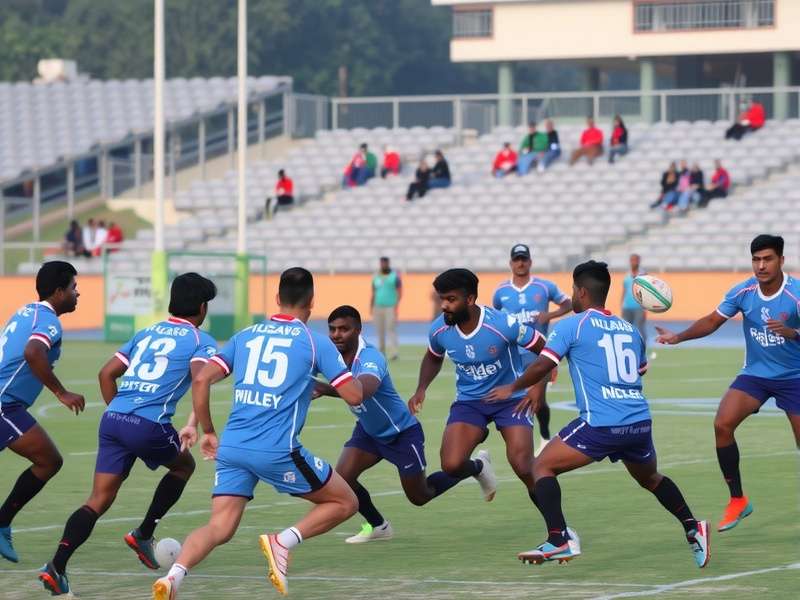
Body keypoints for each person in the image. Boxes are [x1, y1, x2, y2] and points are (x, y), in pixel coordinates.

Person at [152, 268, 363, 599]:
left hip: (232, 447)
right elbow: (354, 396)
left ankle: (174, 577)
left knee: (219, 527)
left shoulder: (245, 336)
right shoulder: (314, 341)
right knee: (346, 501)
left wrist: (207, 431)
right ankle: (284, 541)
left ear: (277, 299)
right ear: (311, 301)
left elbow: (201, 379)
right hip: (277, 451)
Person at [487, 260, 709, 568]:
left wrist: (513, 387)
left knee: (540, 468)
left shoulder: (571, 325)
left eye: (572, 291)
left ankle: (559, 539)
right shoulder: (630, 330)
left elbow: (543, 364)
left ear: (581, 292)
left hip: (601, 424)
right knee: (650, 478)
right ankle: (692, 526)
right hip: (639, 424)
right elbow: (639, 370)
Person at [38, 273, 218, 595]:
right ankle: (144, 532)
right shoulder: (200, 341)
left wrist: (122, 415)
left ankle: (57, 565)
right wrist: (206, 430)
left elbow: (106, 374)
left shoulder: (146, 332)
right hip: (150, 426)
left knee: (97, 500)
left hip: (113, 419)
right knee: (184, 466)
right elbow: (200, 384)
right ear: (203, 308)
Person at [656, 234, 800, 533]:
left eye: (767, 259)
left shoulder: (795, 294)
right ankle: (737, 500)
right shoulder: (743, 291)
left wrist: (793, 334)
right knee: (722, 424)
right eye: (756, 259)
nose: (761, 266)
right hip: (756, 375)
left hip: (794, 377)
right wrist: (678, 336)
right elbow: (712, 321)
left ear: (781, 261)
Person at [409, 269, 548, 538]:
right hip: (470, 402)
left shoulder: (502, 323)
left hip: (512, 399)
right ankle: (479, 468)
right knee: (451, 465)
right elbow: (434, 356)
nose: (444, 306)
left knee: (523, 466)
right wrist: (421, 388)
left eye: (450, 299)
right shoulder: (439, 328)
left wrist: (536, 388)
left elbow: (545, 349)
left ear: (470, 299)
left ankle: (558, 529)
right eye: (441, 299)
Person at [315, 306, 473, 543]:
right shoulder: (330, 354)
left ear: (358, 330)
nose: (337, 334)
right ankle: (378, 526)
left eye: (344, 329)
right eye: (332, 329)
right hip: (368, 432)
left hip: (401, 433)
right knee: (343, 479)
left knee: (420, 496)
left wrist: (321, 388)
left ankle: (477, 467)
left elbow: (362, 391)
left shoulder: (370, 357)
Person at [0, 261, 84, 564]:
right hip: (3, 406)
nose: (78, 293)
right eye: (74, 288)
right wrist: (61, 392)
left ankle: (2, 521)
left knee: (48, 460)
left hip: (8, 406)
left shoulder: (25, 311)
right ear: (59, 292)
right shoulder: (49, 321)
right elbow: (33, 352)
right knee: (48, 461)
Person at [492, 244, 572, 455]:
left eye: (524, 259)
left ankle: (544, 436)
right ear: (510, 263)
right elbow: (495, 319)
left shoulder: (545, 287)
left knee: (536, 399)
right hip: (513, 356)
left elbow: (569, 303)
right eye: (517, 259)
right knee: (516, 399)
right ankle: (522, 440)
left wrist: (550, 315)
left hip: (540, 354)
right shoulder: (501, 292)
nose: (520, 263)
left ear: (530, 262)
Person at [371, 257, 401, 360]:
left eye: (385, 263)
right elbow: (373, 292)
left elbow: (399, 291)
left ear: (388, 263)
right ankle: (381, 351)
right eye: (381, 263)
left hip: (390, 307)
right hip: (378, 307)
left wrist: (396, 304)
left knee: (390, 329)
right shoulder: (376, 276)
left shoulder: (394, 276)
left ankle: (394, 352)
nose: (383, 265)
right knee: (380, 331)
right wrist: (371, 306)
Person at [621, 253, 647, 351]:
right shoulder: (627, 275)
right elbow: (624, 290)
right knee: (626, 330)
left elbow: (647, 293)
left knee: (639, 329)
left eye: (636, 260)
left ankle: (642, 349)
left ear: (639, 261)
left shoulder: (643, 275)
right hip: (627, 307)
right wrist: (622, 305)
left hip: (639, 307)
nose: (634, 262)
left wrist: (645, 309)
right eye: (632, 260)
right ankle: (628, 349)